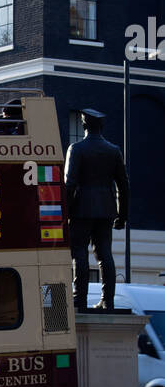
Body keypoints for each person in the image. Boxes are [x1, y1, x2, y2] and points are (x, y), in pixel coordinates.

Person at [65, 107, 129, 313]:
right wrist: (122, 215)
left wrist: (64, 212)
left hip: (81, 209)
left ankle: (79, 299)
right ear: (102, 126)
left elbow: (69, 184)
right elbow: (123, 185)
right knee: (105, 254)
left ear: (83, 124)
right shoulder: (113, 150)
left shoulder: (76, 149)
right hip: (106, 209)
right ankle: (107, 300)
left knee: (79, 253)